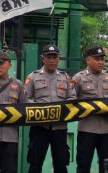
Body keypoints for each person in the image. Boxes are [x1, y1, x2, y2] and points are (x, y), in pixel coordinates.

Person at [24, 44, 76, 173]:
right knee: (35, 164)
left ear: (59, 59)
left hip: (59, 128)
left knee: (61, 164)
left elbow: (73, 97)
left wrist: (62, 109)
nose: (52, 60)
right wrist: (39, 110)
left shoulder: (65, 77)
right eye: (49, 57)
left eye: (54, 57)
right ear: (43, 59)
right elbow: (25, 98)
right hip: (39, 127)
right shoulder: (33, 77)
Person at [72, 47, 108, 173]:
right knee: (83, 165)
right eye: (97, 59)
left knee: (107, 166)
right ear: (88, 60)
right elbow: (71, 100)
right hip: (87, 129)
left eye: (102, 59)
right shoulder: (79, 78)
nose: (101, 62)